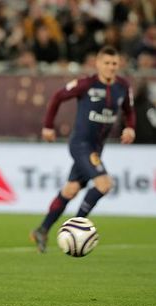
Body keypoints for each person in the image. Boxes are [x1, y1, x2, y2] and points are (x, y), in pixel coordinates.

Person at [30, 46, 136, 253]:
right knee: (104, 184)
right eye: (106, 63)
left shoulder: (123, 87)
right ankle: (76, 227)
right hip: (80, 145)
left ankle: (41, 230)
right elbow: (58, 96)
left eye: (114, 63)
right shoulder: (86, 84)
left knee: (70, 190)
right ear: (97, 63)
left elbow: (129, 111)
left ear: (119, 65)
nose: (111, 67)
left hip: (96, 149)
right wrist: (48, 126)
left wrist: (130, 127)